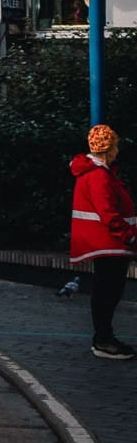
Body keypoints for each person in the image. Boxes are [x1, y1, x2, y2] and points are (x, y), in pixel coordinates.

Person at [70, 122, 137, 360]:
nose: (118, 151)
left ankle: (104, 338)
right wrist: (129, 235)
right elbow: (108, 212)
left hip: (105, 243)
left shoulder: (93, 173)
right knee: (108, 291)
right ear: (109, 149)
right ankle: (103, 340)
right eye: (116, 146)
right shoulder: (99, 176)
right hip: (109, 243)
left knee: (106, 290)